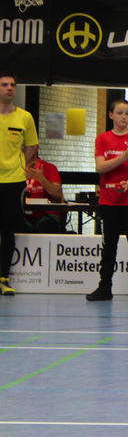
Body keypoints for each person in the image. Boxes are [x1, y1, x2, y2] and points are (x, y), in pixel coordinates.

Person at [87, 99, 128, 303]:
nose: (124, 117)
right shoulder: (103, 139)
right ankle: (104, 287)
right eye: (120, 113)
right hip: (109, 200)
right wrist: (124, 157)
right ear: (111, 115)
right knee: (109, 245)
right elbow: (100, 167)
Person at [0, 73, 38, 295]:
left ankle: (4, 278)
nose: (9, 88)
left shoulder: (25, 117)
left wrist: (22, 166)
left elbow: (31, 147)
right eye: (4, 85)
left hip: (14, 181)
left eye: (12, 85)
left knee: (7, 230)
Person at [24, 155, 67, 234]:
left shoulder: (49, 168)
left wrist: (41, 179)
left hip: (47, 215)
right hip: (23, 216)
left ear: (35, 149)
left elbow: (58, 194)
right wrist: (24, 178)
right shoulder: (16, 170)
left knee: (46, 225)